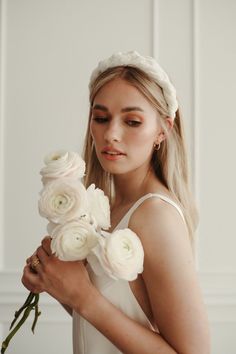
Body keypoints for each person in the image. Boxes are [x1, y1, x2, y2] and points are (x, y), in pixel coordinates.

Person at [22, 51, 210, 354]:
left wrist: (84, 296)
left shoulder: (155, 215)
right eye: (101, 118)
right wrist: (57, 284)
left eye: (132, 121)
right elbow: (116, 324)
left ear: (163, 129)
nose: (111, 134)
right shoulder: (108, 208)